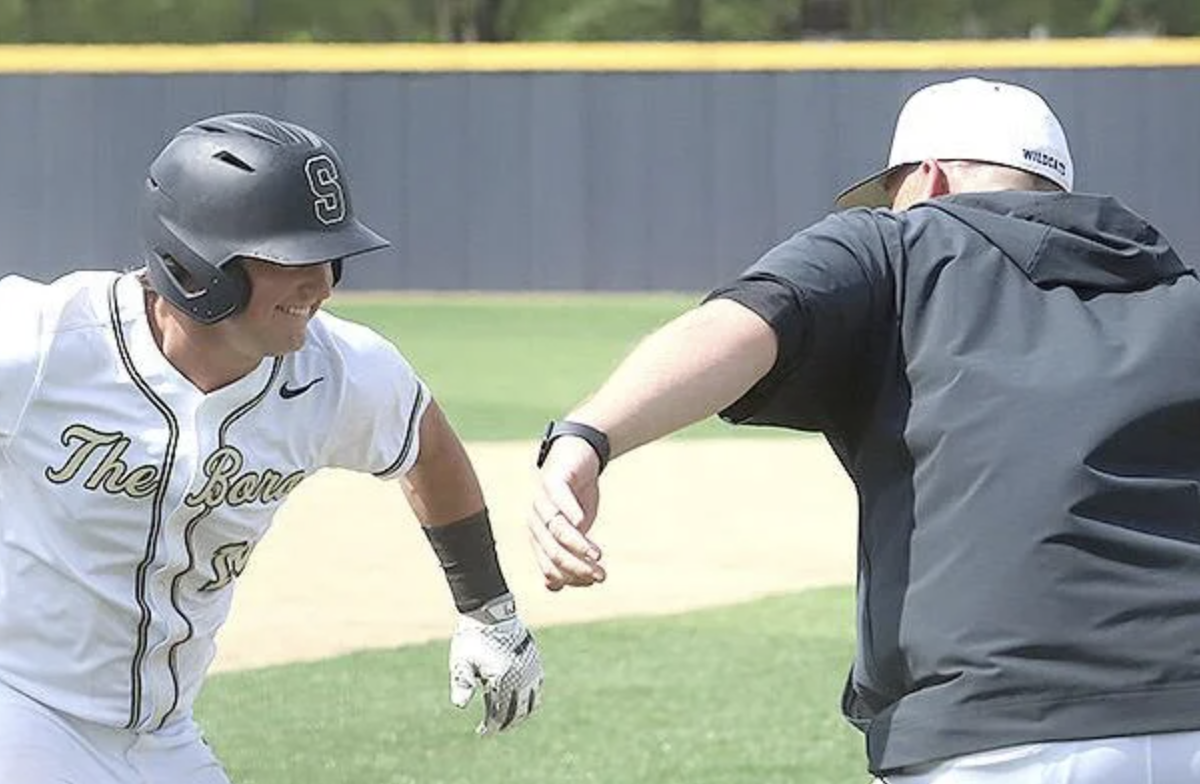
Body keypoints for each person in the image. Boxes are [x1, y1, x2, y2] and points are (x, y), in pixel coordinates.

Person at [528, 76, 1200, 784]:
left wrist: (588, 435)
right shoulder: (1177, 291)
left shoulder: (899, 243)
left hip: (1000, 730)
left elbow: (747, 320)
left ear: (930, 177)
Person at [0, 112, 542, 784]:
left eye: (329, 256)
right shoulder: (44, 340)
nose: (321, 284)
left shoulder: (338, 371)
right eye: (290, 257)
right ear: (194, 262)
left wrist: (488, 612)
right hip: (20, 711)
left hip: (162, 736)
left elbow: (426, 446)